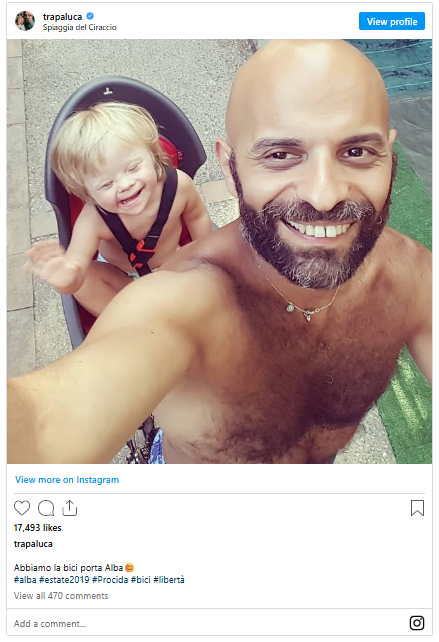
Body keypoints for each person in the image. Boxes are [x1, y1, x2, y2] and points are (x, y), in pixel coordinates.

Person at [8, 40, 431, 465]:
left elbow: (196, 220)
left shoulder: (413, 277)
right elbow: (46, 424)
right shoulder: (175, 302)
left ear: (389, 154)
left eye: (357, 152)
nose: (324, 196)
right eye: (280, 155)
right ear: (230, 168)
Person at [24, 102, 212, 317]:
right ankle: (129, 321)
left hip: (172, 265)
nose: (125, 185)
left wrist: (205, 257)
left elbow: (197, 217)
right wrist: (66, 279)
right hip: (122, 278)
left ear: (153, 156)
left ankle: (155, 313)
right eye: (106, 184)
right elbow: (76, 264)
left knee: (207, 270)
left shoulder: (179, 186)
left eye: (133, 168)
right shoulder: (94, 219)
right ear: (87, 193)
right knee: (84, 280)